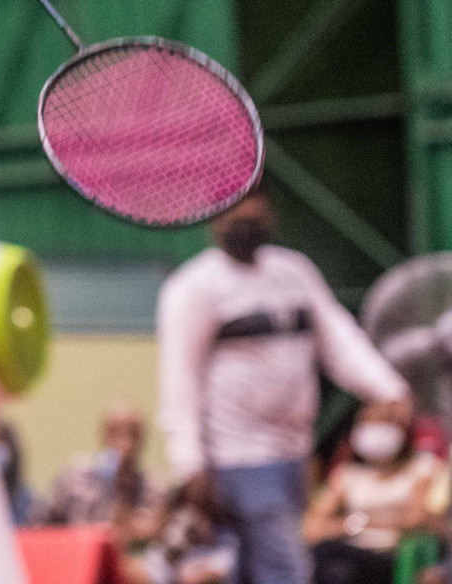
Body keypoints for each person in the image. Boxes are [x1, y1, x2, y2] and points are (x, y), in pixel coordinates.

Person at [158, 190, 411, 584]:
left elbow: (339, 339)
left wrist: (387, 388)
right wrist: (189, 462)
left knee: (249, 568)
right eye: (230, 209)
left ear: (269, 211)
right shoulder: (193, 288)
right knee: (286, 570)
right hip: (238, 457)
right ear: (212, 219)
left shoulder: (294, 272)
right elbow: (180, 379)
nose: (243, 214)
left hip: (293, 452)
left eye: (251, 203)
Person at [304, 400, 447, 584]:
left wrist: (352, 523)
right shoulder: (348, 474)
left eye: (384, 423)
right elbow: (312, 528)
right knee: (323, 558)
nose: (375, 431)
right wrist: (366, 524)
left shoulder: (422, 468)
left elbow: (414, 520)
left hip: (395, 556)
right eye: (367, 424)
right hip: (349, 552)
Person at [41, 403, 163, 551]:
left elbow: (148, 533)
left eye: (132, 434)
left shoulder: (150, 486)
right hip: (75, 557)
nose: (124, 443)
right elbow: (44, 524)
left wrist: (123, 500)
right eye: (114, 433)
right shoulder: (76, 477)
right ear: (103, 435)